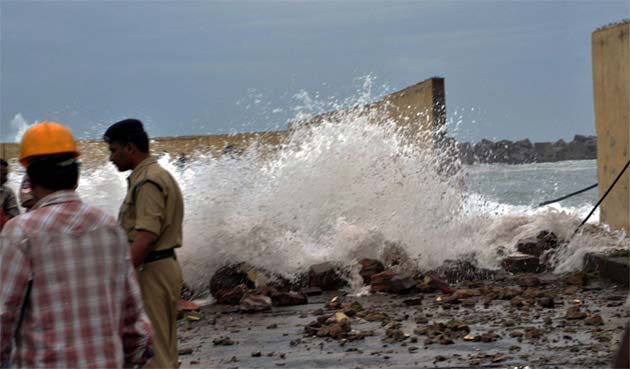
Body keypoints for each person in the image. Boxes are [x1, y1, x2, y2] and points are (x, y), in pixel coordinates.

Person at [0, 121, 153, 368]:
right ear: (76, 174)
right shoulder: (109, 228)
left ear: (31, 177)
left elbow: (4, 315)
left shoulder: (20, 233)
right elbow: (135, 326)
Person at [104, 118, 184, 369]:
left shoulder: (147, 181)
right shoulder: (157, 174)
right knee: (166, 349)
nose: (111, 158)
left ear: (130, 148)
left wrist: (121, 275)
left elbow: (146, 237)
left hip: (151, 271)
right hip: (162, 267)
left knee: (155, 354)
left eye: (114, 150)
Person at [0, 159, 19, 230]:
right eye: (3, 174)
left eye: (6, 174)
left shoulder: (7, 192)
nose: (6, 178)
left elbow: (14, 216)